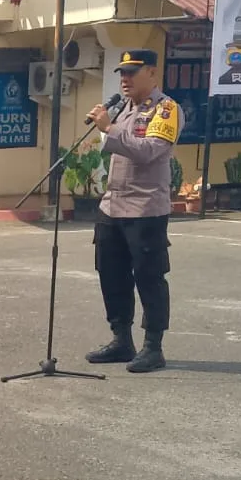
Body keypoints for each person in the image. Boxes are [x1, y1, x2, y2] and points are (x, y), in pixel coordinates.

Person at [83, 49, 180, 374]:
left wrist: (110, 129)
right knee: (111, 274)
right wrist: (110, 126)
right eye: (122, 73)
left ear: (151, 73)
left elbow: (149, 151)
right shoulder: (123, 108)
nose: (124, 79)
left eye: (131, 73)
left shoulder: (166, 110)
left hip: (146, 209)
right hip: (112, 206)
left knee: (150, 278)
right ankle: (121, 339)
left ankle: (153, 347)